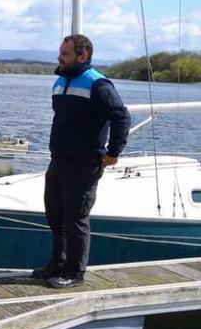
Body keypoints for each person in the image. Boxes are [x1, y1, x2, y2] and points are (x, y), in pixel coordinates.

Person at [32, 34, 131, 289]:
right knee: (56, 216)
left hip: (85, 163)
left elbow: (121, 116)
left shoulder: (98, 84)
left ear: (82, 55)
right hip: (59, 160)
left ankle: (75, 272)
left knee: (75, 219)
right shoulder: (60, 81)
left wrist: (113, 152)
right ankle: (57, 264)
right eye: (60, 53)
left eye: (64, 54)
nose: (59, 58)